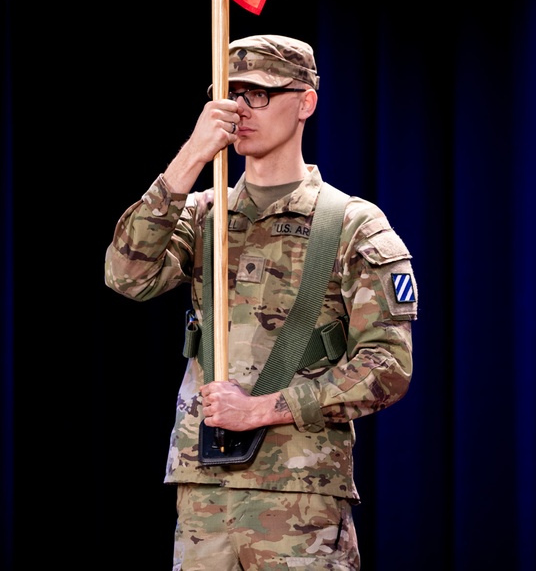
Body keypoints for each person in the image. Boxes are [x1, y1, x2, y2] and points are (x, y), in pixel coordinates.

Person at [105, 34, 417, 570]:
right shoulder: (204, 214)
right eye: (230, 93)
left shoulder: (352, 225)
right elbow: (126, 274)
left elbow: (387, 367)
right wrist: (190, 158)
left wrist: (262, 410)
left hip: (300, 493)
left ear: (306, 103)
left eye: (259, 94)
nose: (239, 109)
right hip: (204, 486)